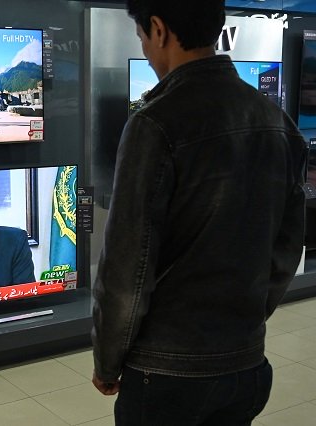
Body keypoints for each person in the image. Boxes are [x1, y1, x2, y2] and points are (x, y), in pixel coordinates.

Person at [91, 0, 306, 424]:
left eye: (141, 39)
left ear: (158, 29)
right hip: (246, 365)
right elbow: (287, 246)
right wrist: (243, 319)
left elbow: (127, 266)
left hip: (166, 370)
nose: (147, 53)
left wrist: (107, 359)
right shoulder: (276, 120)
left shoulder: (153, 123)